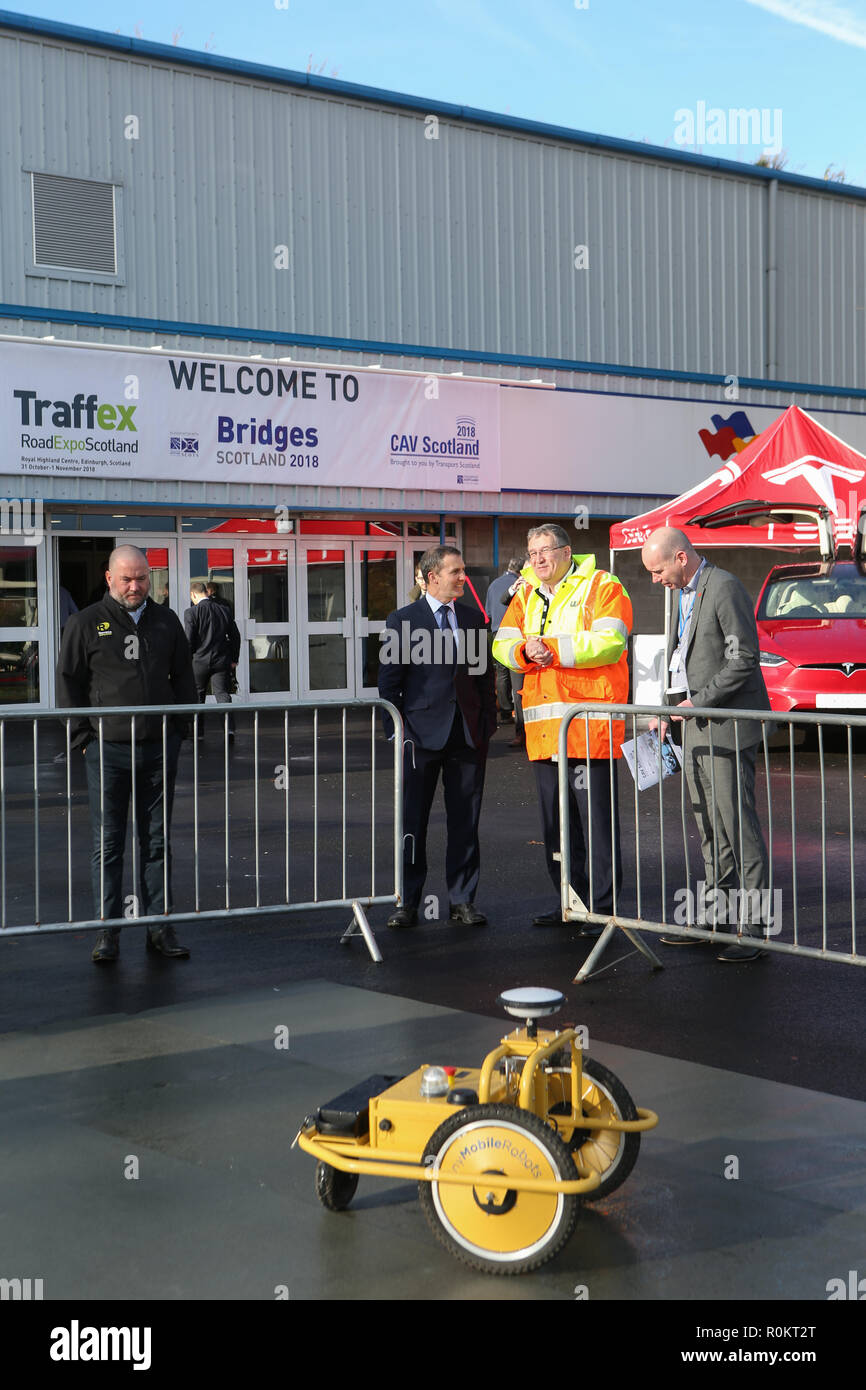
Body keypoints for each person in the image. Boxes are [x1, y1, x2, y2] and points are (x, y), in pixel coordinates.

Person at [57, 545, 197, 963]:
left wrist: (179, 731)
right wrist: (84, 740)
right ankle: (108, 932)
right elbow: (69, 684)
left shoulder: (166, 621)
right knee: (108, 843)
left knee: (156, 841)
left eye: (141, 578)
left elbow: (183, 678)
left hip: (157, 749)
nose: (135, 586)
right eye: (126, 579)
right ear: (109, 578)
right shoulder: (85, 623)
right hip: (107, 750)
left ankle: (159, 928)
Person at [640, 526, 771, 963]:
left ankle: (755, 927)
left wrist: (696, 702)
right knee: (710, 827)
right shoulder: (680, 594)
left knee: (738, 826)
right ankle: (717, 917)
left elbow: (742, 659)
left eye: (658, 570)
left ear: (681, 557)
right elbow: (681, 660)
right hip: (695, 725)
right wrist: (669, 711)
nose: (655, 580)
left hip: (727, 727)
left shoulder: (724, 587)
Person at [493, 524, 632, 931]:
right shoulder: (525, 592)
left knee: (598, 829)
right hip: (545, 733)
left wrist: (548, 650)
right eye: (532, 552)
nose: (537, 559)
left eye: (545, 551)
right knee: (557, 828)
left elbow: (610, 642)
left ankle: (603, 909)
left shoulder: (602, 585)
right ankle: (570, 903)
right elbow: (501, 642)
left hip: (590, 729)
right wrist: (522, 649)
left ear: (567, 551)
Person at [378, 545, 496, 928]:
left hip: (465, 737)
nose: (463, 577)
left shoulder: (474, 619)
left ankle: (462, 899)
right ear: (432, 578)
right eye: (456, 571)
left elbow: (484, 680)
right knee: (413, 823)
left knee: (465, 822)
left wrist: (485, 728)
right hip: (418, 739)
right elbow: (389, 684)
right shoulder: (403, 620)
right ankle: (407, 902)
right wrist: (398, 735)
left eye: (462, 570)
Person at [184, 582, 241, 736]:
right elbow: (235, 635)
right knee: (222, 694)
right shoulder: (224, 610)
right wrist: (234, 658)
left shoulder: (191, 613)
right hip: (221, 660)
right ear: (206, 593)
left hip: (199, 661)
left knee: (197, 696)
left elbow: (189, 640)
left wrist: (186, 661)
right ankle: (229, 729)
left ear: (193, 595)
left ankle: (198, 732)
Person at [485, 557, 526, 748]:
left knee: (501, 674)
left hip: (497, 634)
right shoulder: (517, 584)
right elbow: (505, 600)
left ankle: (505, 711)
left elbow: (489, 611)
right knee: (518, 683)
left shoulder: (494, 583)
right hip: (517, 637)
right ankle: (518, 721)